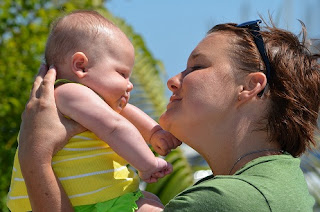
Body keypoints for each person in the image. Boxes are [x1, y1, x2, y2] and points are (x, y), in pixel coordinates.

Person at [17, 18, 319, 211]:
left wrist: (35, 155)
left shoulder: (223, 202)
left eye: (196, 67)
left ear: (250, 86)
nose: (173, 80)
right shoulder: (282, 181)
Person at [7, 10, 181, 212]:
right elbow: (115, 127)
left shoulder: (78, 101)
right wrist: (147, 164)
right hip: (94, 200)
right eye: (122, 73)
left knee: (149, 201)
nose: (129, 84)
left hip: (63, 200)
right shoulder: (69, 92)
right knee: (150, 206)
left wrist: (154, 133)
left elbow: (124, 113)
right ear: (81, 66)